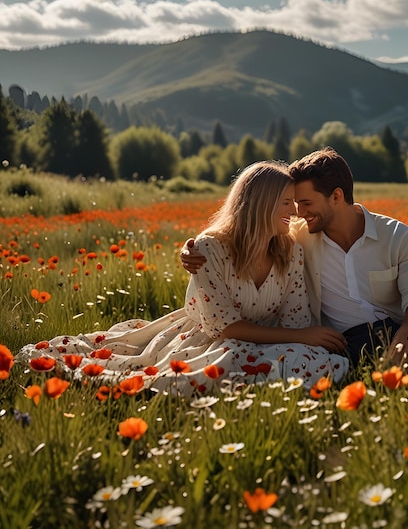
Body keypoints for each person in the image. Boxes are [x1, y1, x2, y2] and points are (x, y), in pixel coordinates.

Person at [182, 149, 408, 390]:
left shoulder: (395, 235)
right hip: (348, 339)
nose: (299, 214)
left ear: (337, 197)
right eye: (294, 205)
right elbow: (241, 230)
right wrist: (191, 251)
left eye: (306, 204)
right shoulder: (297, 237)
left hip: (400, 325)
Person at [18, 161, 350, 395]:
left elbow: (294, 321)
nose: (293, 213)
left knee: (319, 360)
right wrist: (303, 337)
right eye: (286, 203)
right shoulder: (209, 249)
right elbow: (225, 328)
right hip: (210, 339)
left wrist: (304, 338)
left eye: (294, 203)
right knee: (232, 356)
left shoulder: (290, 251)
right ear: (260, 204)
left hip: (264, 339)